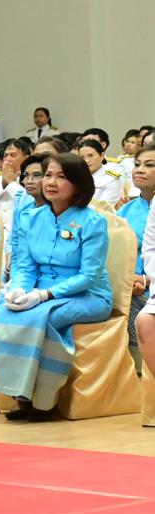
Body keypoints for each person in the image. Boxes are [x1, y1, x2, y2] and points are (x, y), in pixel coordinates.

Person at [0, 153, 113, 420]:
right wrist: (18, 288)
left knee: (45, 319)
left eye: (61, 177)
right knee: (1, 313)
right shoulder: (31, 218)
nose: (51, 182)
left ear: (78, 185)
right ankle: (19, 392)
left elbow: (89, 275)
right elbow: (25, 266)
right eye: (48, 175)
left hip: (87, 295)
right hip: (39, 289)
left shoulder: (93, 222)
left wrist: (45, 294)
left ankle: (43, 401)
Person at [119, 144, 154, 357]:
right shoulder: (126, 210)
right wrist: (127, 278)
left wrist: (146, 279)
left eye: (149, 165)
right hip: (129, 281)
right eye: (137, 164)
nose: (139, 170)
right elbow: (115, 254)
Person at [74, 138, 127, 207]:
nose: (86, 160)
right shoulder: (76, 177)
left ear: (102, 156)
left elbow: (102, 208)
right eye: (82, 157)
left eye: (90, 156)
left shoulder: (111, 179)